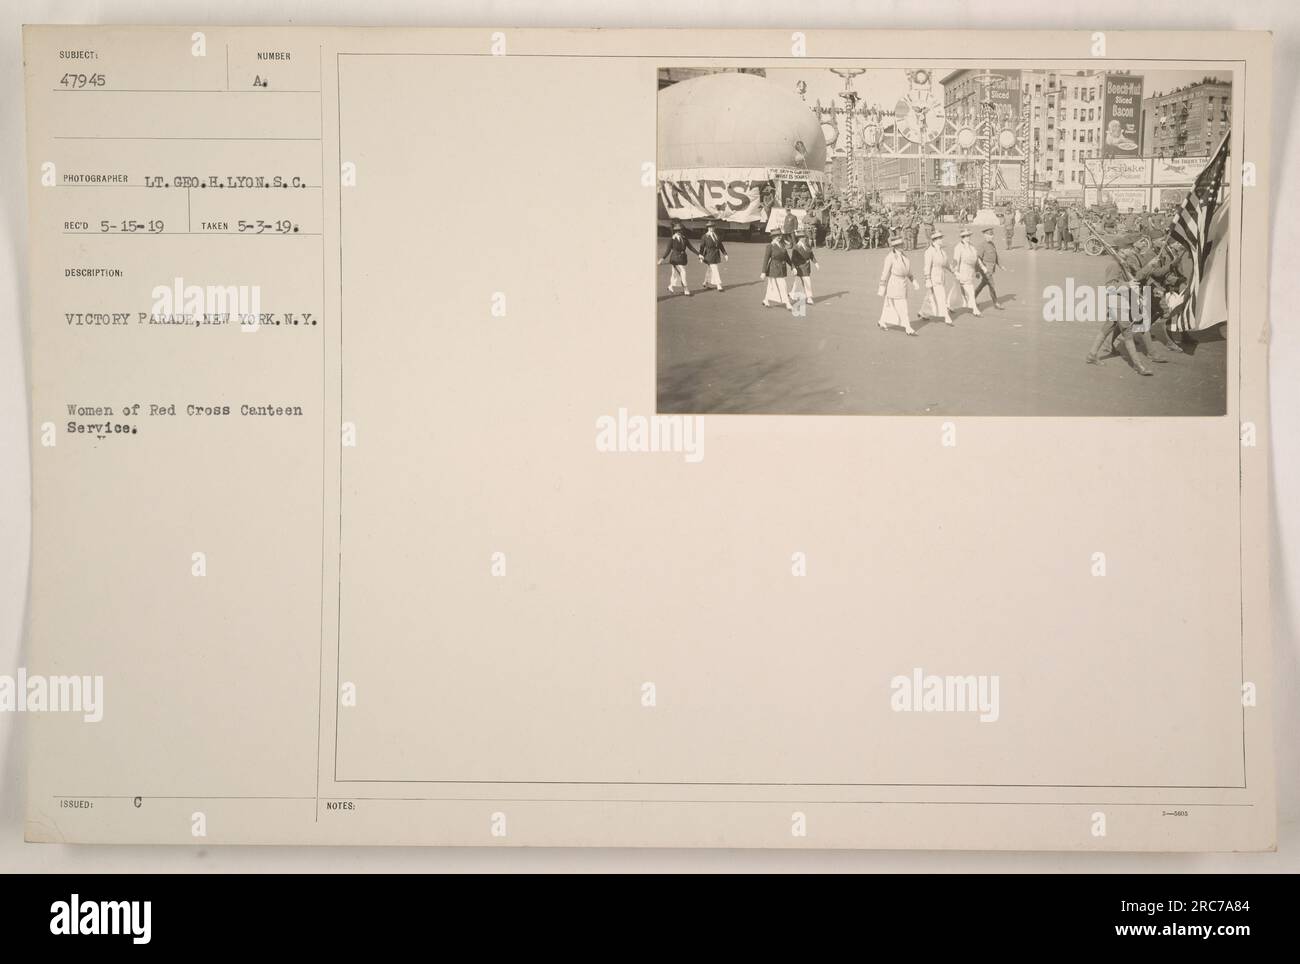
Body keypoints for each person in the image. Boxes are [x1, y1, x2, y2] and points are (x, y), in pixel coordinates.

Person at [1085, 235, 1159, 375]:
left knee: (1108, 327)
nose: (1132, 249)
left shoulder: (1123, 262)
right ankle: (1138, 366)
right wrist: (1127, 284)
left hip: (1121, 300)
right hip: (1117, 302)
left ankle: (1092, 355)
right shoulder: (1114, 264)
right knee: (1127, 332)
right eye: (1129, 248)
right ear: (1122, 250)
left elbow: (1135, 276)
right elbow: (1109, 286)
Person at [877, 235, 919, 335]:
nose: (901, 246)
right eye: (899, 245)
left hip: (903, 284)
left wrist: (913, 281)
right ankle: (908, 327)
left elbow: (908, 271)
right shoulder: (890, 257)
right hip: (894, 284)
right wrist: (882, 286)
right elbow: (885, 272)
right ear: (894, 246)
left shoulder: (904, 256)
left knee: (888, 305)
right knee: (903, 306)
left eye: (901, 244)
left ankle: (882, 321)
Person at [918, 230, 953, 325]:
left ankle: (923, 312)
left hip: (941, 276)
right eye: (940, 238)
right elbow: (927, 267)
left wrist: (954, 272)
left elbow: (946, 264)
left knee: (931, 295)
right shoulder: (929, 251)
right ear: (935, 240)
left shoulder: (942, 251)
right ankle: (946, 316)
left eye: (941, 237)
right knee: (941, 296)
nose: (941, 240)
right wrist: (927, 279)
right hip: (933, 277)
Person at [658, 221, 699, 295]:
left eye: (680, 230)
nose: (678, 232)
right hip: (675, 259)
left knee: (675, 274)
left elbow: (691, 247)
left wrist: (698, 254)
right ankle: (686, 289)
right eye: (677, 230)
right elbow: (668, 250)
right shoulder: (672, 239)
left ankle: (670, 286)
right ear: (675, 231)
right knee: (683, 272)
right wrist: (662, 258)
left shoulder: (684, 238)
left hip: (683, 259)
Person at [952, 227, 984, 317]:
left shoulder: (972, 246)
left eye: (969, 235)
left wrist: (980, 269)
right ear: (962, 237)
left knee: (956, 290)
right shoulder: (958, 247)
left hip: (970, 271)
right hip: (962, 271)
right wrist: (956, 272)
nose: (968, 237)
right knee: (969, 289)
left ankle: (948, 304)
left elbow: (976, 259)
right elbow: (956, 260)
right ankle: (975, 309)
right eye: (966, 236)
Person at [974, 226, 1007, 310]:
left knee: (982, 285)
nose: (991, 237)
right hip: (985, 269)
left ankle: (972, 299)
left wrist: (1001, 265)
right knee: (992, 285)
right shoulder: (982, 245)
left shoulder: (992, 244)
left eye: (992, 235)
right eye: (989, 235)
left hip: (991, 269)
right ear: (985, 236)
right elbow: (977, 259)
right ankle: (996, 303)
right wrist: (977, 271)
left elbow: (996, 256)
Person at [760, 229, 794, 309]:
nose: (779, 237)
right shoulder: (770, 246)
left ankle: (766, 300)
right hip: (773, 268)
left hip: (782, 269)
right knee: (783, 285)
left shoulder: (782, 245)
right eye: (776, 236)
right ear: (773, 237)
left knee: (771, 286)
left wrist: (793, 266)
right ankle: (787, 303)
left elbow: (787, 258)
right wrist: (763, 272)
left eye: (780, 235)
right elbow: (766, 259)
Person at [790, 224, 818, 305]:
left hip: (807, 267)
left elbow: (811, 255)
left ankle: (792, 293)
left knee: (798, 282)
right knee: (806, 282)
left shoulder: (808, 245)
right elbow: (793, 260)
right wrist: (793, 268)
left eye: (805, 237)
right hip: (800, 267)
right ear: (799, 238)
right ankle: (809, 298)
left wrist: (815, 263)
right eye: (802, 237)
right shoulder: (796, 247)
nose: (804, 238)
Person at [698, 220, 728, 291]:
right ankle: (718, 285)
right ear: (708, 228)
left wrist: (725, 254)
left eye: (712, 227)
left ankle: (705, 282)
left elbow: (720, 245)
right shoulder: (704, 237)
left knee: (710, 269)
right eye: (710, 227)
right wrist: (700, 256)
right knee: (715, 269)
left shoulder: (716, 235)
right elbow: (702, 247)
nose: (711, 228)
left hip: (716, 255)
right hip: (709, 255)